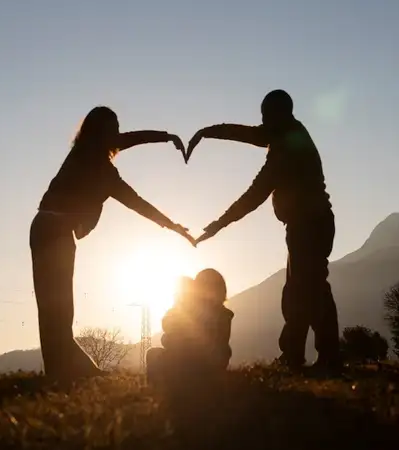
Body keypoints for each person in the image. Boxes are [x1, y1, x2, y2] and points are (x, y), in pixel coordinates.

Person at [31, 105, 194, 382]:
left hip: (43, 227)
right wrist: (174, 226)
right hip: (55, 231)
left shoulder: (81, 153)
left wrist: (166, 137)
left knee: (54, 309)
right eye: (113, 129)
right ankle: (63, 373)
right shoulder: (101, 170)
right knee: (57, 309)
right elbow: (138, 203)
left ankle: (60, 372)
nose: (119, 134)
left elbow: (130, 141)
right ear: (102, 133)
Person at [186, 89, 341, 372]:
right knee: (299, 291)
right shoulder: (288, 133)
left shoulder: (287, 147)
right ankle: (296, 355)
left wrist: (219, 224)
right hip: (307, 225)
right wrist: (207, 132)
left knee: (311, 290)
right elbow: (251, 135)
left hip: (310, 225)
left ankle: (322, 356)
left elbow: (254, 194)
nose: (262, 125)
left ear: (277, 115)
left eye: (265, 118)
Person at [146, 269, 234, 387]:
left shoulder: (195, 312)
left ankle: (159, 388)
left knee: (153, 354)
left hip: (191, 365)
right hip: (213, 367)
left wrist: (178, 304)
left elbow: (169, 331)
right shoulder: (225, 314)